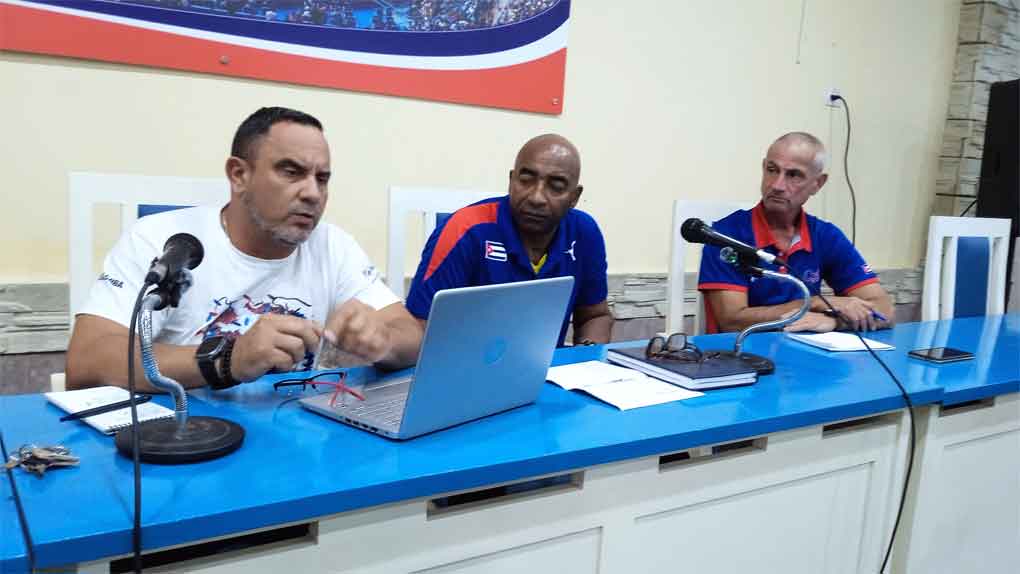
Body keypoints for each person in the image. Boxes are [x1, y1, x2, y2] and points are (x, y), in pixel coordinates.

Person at [66, 107, 423, 391]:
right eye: (291, 172)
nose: (313, 193)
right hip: (184, 439)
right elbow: (87, 361)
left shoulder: (334, 246)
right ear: (239, 175)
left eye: (322, 178)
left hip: (296, 439)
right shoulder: (163, 240)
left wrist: (383, 341)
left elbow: (412, 337)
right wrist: (226, 359)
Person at [405, 134, 613, 346]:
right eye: (526, 180)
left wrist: (588, 356)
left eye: (556, 187)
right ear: (511, 180)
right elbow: (418, 329)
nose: (537, 197)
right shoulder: (464, 230)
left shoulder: (584, 233)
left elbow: (595, 316)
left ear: (574, 197)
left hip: (547, 365)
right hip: (464, 363)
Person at [698, 132, 895, 334]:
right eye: (772, 170)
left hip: (804, 348)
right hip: (741, 350)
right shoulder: (726, 234)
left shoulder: (825, 236)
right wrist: (811, 303)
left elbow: (885, 309)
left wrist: (835, 322)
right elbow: (731, 320)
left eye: (793, 175)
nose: (777, 185)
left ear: (817, 184)